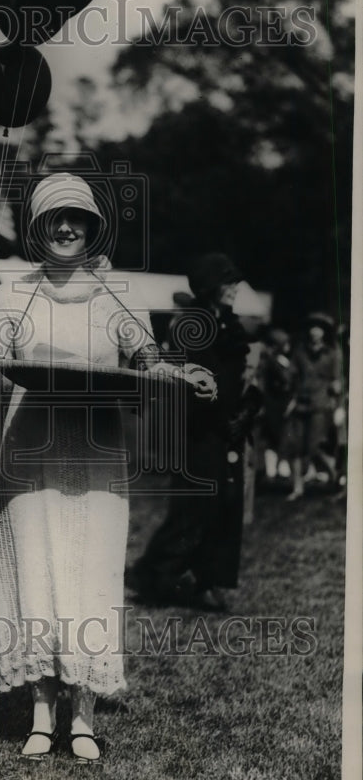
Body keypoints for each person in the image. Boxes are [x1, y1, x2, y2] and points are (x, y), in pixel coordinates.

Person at [0, 173, 215, 763]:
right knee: (35, 571)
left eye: (77, 218)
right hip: (27, 449)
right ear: (37, 228)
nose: (66, 228)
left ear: (91, 228)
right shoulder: (13, 293)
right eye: (55, 218)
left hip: (97, 453)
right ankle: (39, 711)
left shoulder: (117, 294)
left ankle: (82, 712)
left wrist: (183, 373)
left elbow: (148, 359)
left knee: (89, 574)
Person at [129, 252, 261, 613]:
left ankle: (207, 580)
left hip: (227, 431)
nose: (235, 288)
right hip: (197, 430)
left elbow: (239, 378)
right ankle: (155, 574)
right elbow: (193, 384)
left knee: (225, 507)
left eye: (236, 281)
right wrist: (222, 416)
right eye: (227, 281)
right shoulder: (191, 324)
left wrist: (248, 409)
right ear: (209, 285)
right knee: (195, 508)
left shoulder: (230, 326)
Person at [282, 313, 344, 501]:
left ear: (325, 332)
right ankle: (298, 487)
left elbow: (338, 379)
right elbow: (291, 374)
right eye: (312, 328)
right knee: (296, 447)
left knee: (314, 446)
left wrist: (338, 398)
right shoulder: (300, 351)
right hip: (301, 402)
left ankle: (336, 476)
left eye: (319, 328)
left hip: (321, 403)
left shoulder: (333, 353)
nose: (314, 332)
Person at [256, 327, 295, 483]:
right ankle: (273, 468)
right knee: (274, 434)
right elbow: (284, 380)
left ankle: (279, 467)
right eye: (284, 343)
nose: (288, 346)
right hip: (274, 401)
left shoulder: (283, 360)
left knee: (282, 435)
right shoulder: (272, 361)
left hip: (283, 401)